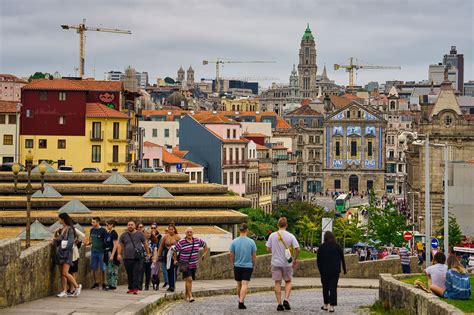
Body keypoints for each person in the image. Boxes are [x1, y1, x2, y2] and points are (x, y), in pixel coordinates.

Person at [266, 217, 300, 312]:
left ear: (278, 225)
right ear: (286, 225)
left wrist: (275, 250)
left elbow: (268, 249)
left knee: (277, 282)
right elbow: (298, 249)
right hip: (287, 263)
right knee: (288, 281)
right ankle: (286, 299)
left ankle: (279, 304)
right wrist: (295, 259)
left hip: (275, 262)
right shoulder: (291, 236)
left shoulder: (272, 235)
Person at [173, 227, 208, 302]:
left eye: (190, 232)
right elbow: (175, 250)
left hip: (193, 264)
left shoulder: (197, 240)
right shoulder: (181, 242)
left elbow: (205, 245)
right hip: (184, 264)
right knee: (190, 279)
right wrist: (175, 260)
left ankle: (186, 296)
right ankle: (190, 296)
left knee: (188, 281)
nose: (189, 233)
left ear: (193, 233)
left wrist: (205, 253)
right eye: (188, 232)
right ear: (185, 233)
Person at [317, 231, 347, 313]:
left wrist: (320, 270)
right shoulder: (337, 246)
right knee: (333, 287)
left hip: (324, 271)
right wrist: (344, 269)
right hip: (335, 270)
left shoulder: (321, 247)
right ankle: (332, 306)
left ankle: (326, 305)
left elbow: (318, 260)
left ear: (325, 237)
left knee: (325, 288)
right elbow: (342, 258)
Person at [229, 223, 257, 310]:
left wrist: (232, 263)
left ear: (239, 230)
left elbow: (231, 255)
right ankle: (241, 302)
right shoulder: (251, 242)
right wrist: (254, 265)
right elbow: (254, 256)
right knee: (245, 284)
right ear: (247, 230)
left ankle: (241, 300)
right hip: (248, 266)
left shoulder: (234, 241)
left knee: (238, 284)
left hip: (237, 265)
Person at [118, 220, 150, 294]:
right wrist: (119, 254)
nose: (130, 226)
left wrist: (148, 253)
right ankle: (131, 288)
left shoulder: (140, 234)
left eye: (131, 225)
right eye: (128, 225)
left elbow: (145, 243)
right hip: (127, 257)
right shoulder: (124, 235)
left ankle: (136, 288)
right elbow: (120, 245)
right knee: (129, 273)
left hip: (138, 257)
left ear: (135, 226)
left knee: (136, 272)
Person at [53, 213, 82, 297]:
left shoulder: (70, 229)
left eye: (60, 219)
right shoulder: (62, 229)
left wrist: (64, 249)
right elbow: (56, 242)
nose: (59, 221)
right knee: (62, 273)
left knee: (65, 273)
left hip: (66, 254)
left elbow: (70, 242)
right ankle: (64, 291)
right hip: (60, 254)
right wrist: (55, 235)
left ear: (63, 219)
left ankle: (77, 286)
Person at [157, 224, 181, 292]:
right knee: (168, 269)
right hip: (167, 254)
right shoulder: (165, 237)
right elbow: (161, 247)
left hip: (175, 254)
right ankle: (170, 285)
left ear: (174, 230)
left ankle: (173, 285)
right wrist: (159, 254)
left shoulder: (178, 237)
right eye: (169, 229)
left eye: (172, 229)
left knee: (173, 270)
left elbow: (181, 247)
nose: (170, 231)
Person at [89, 217, 107, 290]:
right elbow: (90, 239)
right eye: (92, 222)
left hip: (101, 251)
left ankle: (104, 283)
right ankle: (96, 282)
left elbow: (106, 240)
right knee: (94, 267)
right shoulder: (92, 230)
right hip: (94, 250)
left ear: (98, 222)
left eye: (93, 222)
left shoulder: (103, 230)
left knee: (103, 267)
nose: (92, 223)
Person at [68, 222, 85, 295]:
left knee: (72, 272)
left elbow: (82, 236)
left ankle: (73, 288)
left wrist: (75, 243)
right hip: (71, 254)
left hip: (73, 255)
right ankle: (72, 288)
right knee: (70, 272)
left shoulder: (72, 229)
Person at [104, 219, 119, 290]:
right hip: (107, 252)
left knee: (113, 269)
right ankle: (109, 283)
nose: (106, 226)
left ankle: (113, 284)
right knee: (108, 269)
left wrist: (112, 255)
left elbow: (115, 245)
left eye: (107, 225)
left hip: (111, 252)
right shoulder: (108, 233)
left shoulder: (114, 233)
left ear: (111, 225)